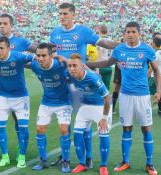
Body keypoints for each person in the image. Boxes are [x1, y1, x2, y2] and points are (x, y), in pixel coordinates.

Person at [86, 22, 160, 175]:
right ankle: (125, 161)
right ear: (124, 34)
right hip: (125, 95)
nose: (130, 34)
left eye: (133, 32)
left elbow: (157, 71)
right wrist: (88, 64)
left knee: (146, 129)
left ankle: (150, 163)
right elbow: (107, 62)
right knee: (126, 128)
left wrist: (159, 91)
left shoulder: (146, 49)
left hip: (143, 95)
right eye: (128, 32)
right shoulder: (119, 49)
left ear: (139, 33)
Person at [49, 2, 117, 167]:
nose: (62, 17)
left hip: (78, 84)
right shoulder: (55, 33)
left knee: (83, 121)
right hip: (61, 82)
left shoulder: (83, 31)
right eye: (61, 14)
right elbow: (50, 52)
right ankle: (65, 156)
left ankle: (88, 157)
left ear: (73, 14)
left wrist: (123, 45)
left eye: (66, 14)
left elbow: (103, 43)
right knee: (65, 121)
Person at [0, 13, 36, 160]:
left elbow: (37, 52)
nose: (2, 26)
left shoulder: (21, 41)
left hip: (16, 84)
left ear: (12, 25)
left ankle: (20, 145)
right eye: (0, 23)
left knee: (17, 117)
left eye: (5, 23)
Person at [0, 36, 34, 168]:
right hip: (3, 97)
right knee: (0, 127)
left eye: (1, 48)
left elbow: (36, 58)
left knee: (23, 128)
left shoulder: (18, 56)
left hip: (21, 97)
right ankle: (5, 157)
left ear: (9, 48)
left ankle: (22, 156)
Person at [66, 53, 112, 175]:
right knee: (77, 134)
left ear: (82, 66)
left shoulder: (92, 78)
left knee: (103, 133)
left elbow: (107, 97)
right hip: (85, 106)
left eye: (74, 66)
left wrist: (104, 117)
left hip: (101, 106)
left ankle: (103, 165)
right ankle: (82, 163)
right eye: (69, 66)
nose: (71, 68)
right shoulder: (70, 75)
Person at [30, 43, 72, 173]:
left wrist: (66, 61)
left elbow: (77, 68)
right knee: (39, 129)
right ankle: (43, 160)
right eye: (38, 55)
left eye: (44, 55)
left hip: (64, 102)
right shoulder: (34, 66)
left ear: (51, 56)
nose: (40, 58)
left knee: (64, 129)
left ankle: (65, 161)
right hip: (46, 101)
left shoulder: (60, 65)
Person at [148, 32, 161, 116]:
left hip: (154, 77)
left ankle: (147, 109)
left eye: (152, 43)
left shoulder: (156, 53)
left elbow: (153, 66)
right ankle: (159, 110)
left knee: (147, 93)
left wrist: (147, 75)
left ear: (154, 43)